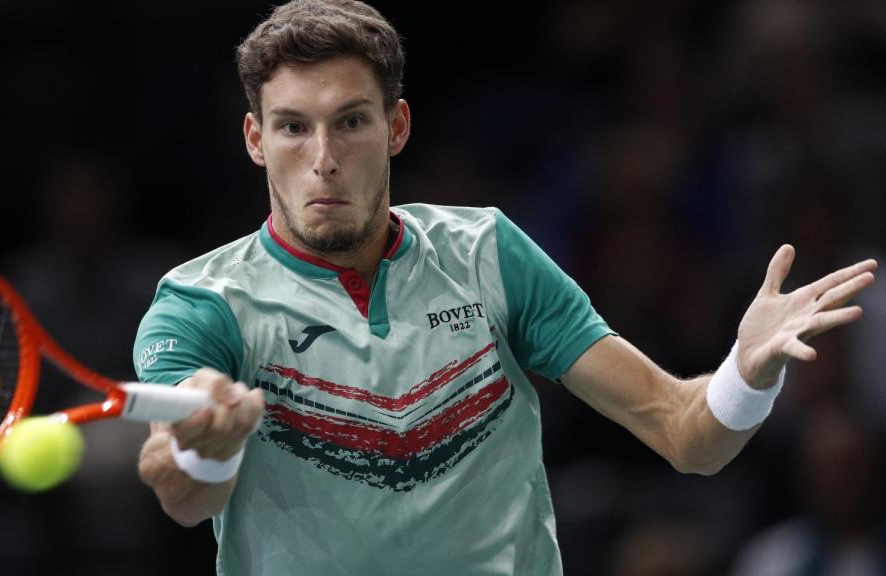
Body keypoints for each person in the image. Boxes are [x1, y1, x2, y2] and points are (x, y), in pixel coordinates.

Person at [132, 1, 878, 574]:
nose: (323, 157)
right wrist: (208, 447)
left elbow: (687, 437)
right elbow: (180, 491)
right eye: (293, 127)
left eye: (350, 122)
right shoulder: (202, 304)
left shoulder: (488, 253)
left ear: (396, 127)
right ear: (256, 140)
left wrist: (746, 373)